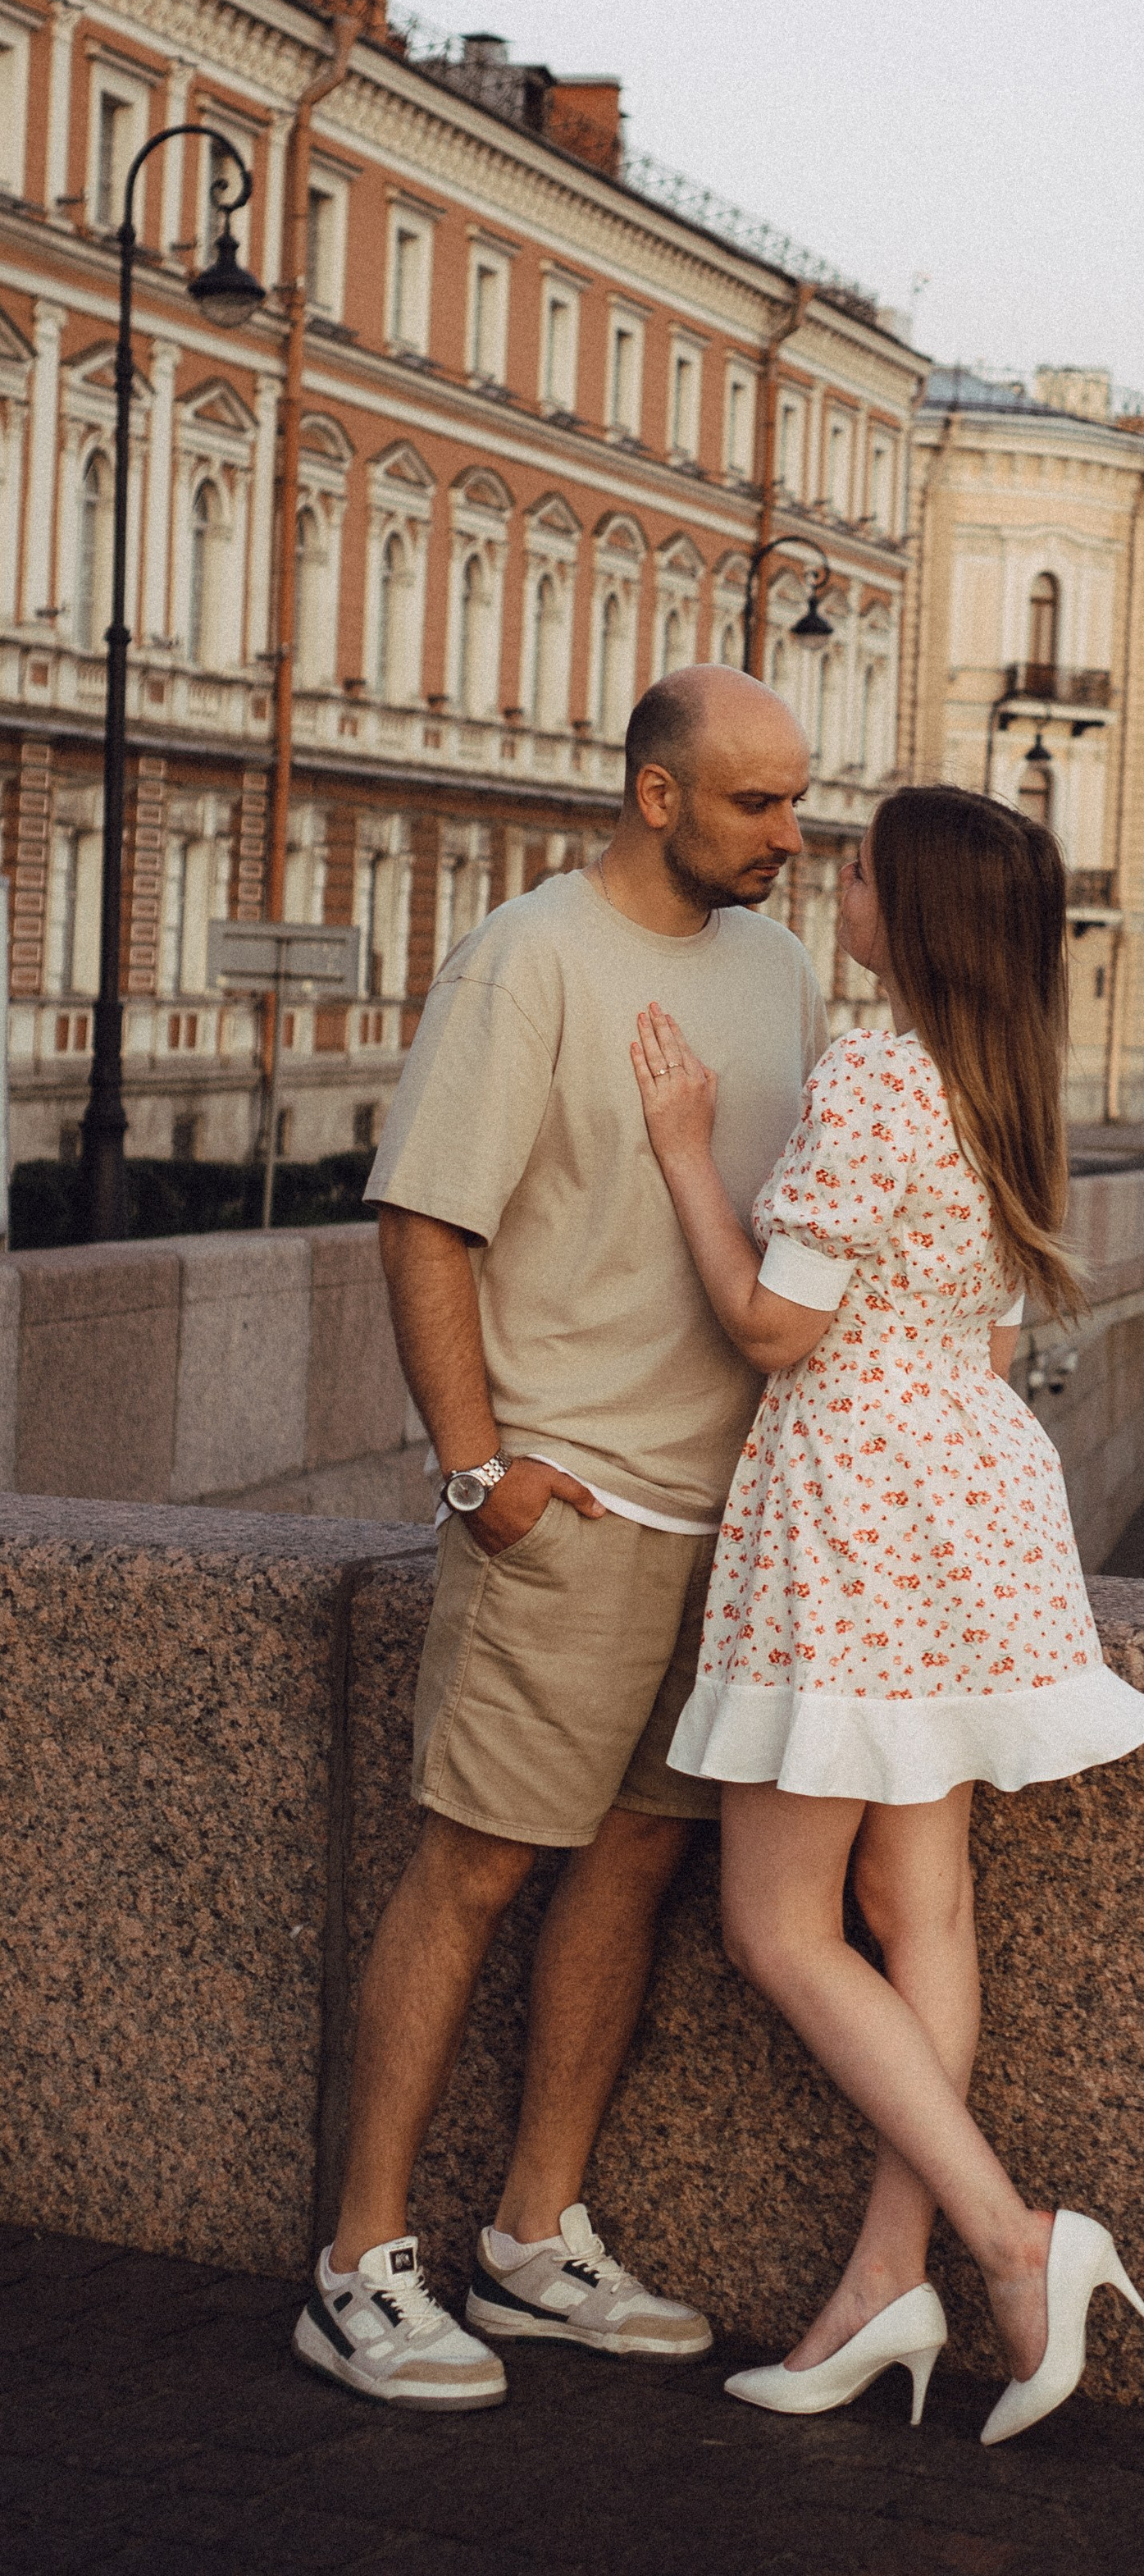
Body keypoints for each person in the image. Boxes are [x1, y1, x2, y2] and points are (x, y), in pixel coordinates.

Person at [294, 667, 831, 2414]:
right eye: (756, 804)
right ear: (656, 799)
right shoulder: (528, 958)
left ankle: (534, 2241)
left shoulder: (775, 968)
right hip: (571, 1502)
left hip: (725, 1510)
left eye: (797, 798)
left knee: (629, 1867)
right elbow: (423, 1219)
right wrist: (479, 1473)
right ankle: (360, 2265)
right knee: (473, 1867)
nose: (790, 833)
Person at [627, 782, 1144, 2446]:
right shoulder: (1004, 1080)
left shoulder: (875, 1067)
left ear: (908, 909)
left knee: (778, 1927)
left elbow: (773, 1325)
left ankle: (1011, 2241)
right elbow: (989, 1334)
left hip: (856, 1505)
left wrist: (677, 1154)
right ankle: (882, 2282)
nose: (834, 882)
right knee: (913, 1899)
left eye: (857, 868)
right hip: (973, 1499)